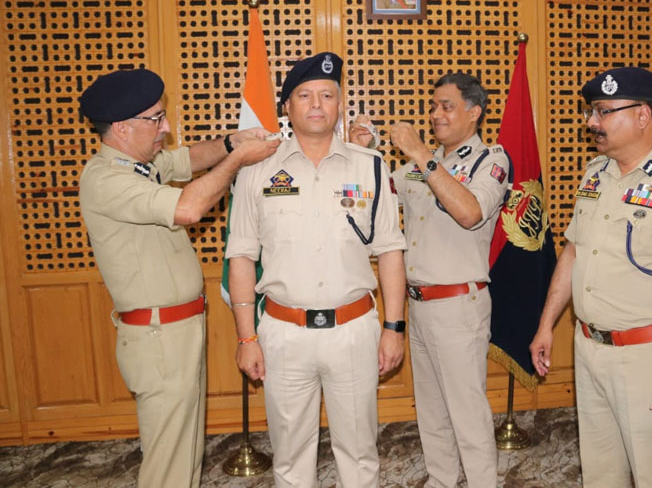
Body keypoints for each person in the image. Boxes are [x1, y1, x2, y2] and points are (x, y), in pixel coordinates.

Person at [78, 68, 278, 487]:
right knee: (167, 460)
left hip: (177, 332)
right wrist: (237, 161)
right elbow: (188, 209)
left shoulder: (139, 165)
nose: (166, 127)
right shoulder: (106, 179)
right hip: (158, 339)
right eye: (156, 119)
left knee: (185, 454)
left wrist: (231, 142)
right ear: (121, 127)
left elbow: (188, 159)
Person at [529, 67, 652, 488]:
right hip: (589, 347)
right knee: (600, 474)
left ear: (642, 115)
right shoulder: (595, 174)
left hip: (647, 358)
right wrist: (547, 324)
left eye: (603, 111)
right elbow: (573, 252)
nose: (591, 121)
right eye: (591, 112)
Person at [226, 52, 407, 488]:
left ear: (340, 104)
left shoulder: (371, 167)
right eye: (305, 95)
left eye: (327, 95)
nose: (316, 104)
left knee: (360, 453)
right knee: (290, 458)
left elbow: (390, 252)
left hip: (354, 330)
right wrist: (247, 337)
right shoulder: (257, 169)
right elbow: (241, 257)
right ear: (287, 107)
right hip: (284, 334)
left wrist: (393, 328)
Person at [387, 73, 511, 487]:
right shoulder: (421, 165)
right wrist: (362, 150)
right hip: (419, 305)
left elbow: (469, 212)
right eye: (433, 106)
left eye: (447, 106)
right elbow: (380, 193)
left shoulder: (490, 160)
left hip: (459, 306)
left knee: (467, 416)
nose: (435, 114)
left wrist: (422, 154)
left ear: (474, 113)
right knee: (432, 415)